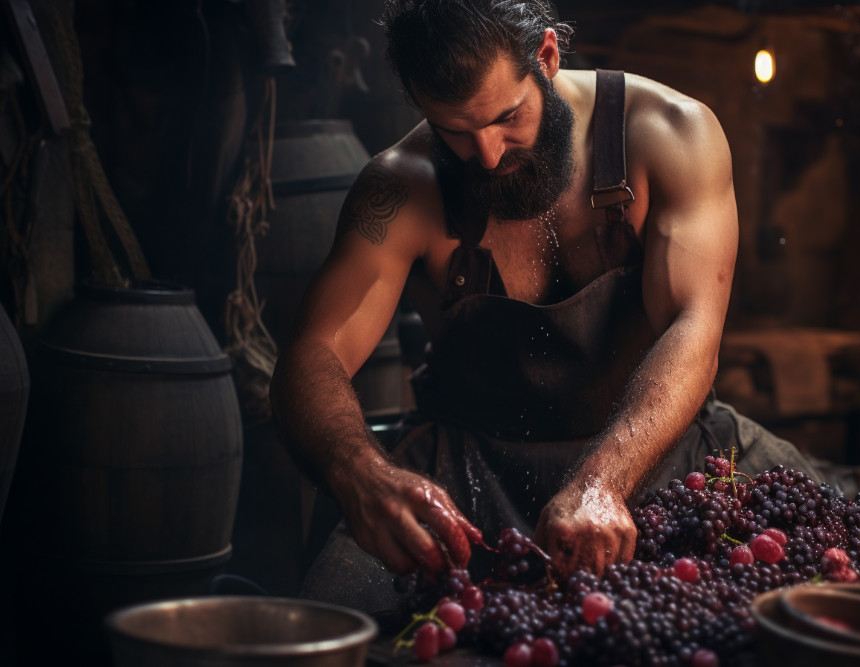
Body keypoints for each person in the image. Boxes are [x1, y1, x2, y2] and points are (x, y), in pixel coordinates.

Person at [270, 0, 824, 612]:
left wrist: (602, 481)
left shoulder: (670, 133)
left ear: (548, 56)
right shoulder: (400, 186)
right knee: (335, 626)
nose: (485, 155)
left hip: (662, 456)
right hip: (464, 478)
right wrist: (362, 476)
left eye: (508, 117)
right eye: (453, 130)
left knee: (816, 598)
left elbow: (693, 327)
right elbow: (311, 355)